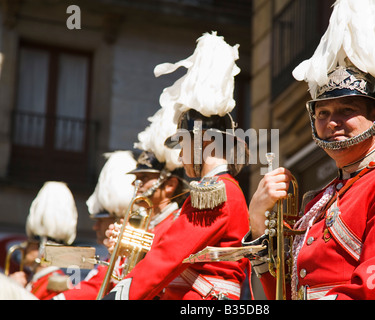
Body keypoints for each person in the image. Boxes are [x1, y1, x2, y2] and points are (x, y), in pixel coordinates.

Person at [244, 0, 375, 300]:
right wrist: (257, 221)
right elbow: (285, 293)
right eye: (322, 113)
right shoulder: (319, 201)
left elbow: (373, 291)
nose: (332, 122)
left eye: (346, 109)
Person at [103, 32, 250, 300]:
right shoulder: (219, 189)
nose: (181, 158)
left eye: (183, 147)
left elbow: (171, 253)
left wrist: (118, 297)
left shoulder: (215, 192)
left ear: (203, 142)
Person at [52, 150, 137, 300]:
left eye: (100, 220)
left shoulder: (124, 256)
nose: (95, 227)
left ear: (117, 221)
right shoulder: (113, 258)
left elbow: (95, 288)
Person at [8, 181, 78, 299]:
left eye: (32, 242)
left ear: (43, 247)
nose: (25, 246)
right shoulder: (37, 279)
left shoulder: (56, 284)